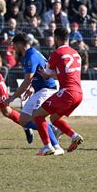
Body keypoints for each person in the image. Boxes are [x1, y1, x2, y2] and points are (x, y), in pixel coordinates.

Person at [4, 33, 64, 155]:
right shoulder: (30, 54)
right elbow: (36, 74)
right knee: (23, 119)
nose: (13, 49)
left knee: (37, 117)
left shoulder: (31, 56)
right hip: (41, 89)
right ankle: (53, 130)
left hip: (46, 89)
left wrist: (12, 97)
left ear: (20, 44)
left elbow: (27, 80)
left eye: (14, 46)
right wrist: (31, 87)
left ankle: (55, 147)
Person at [32, 27, 84, 156]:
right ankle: (74, 136)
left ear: (56, 38)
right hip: (79, 93)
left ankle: (47, 146)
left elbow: (47, 74)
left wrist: (44, 73)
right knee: (54, 118)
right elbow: (65, 73)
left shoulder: (56, 53)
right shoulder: (75, 53)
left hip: (67, 92)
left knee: (37, 115)